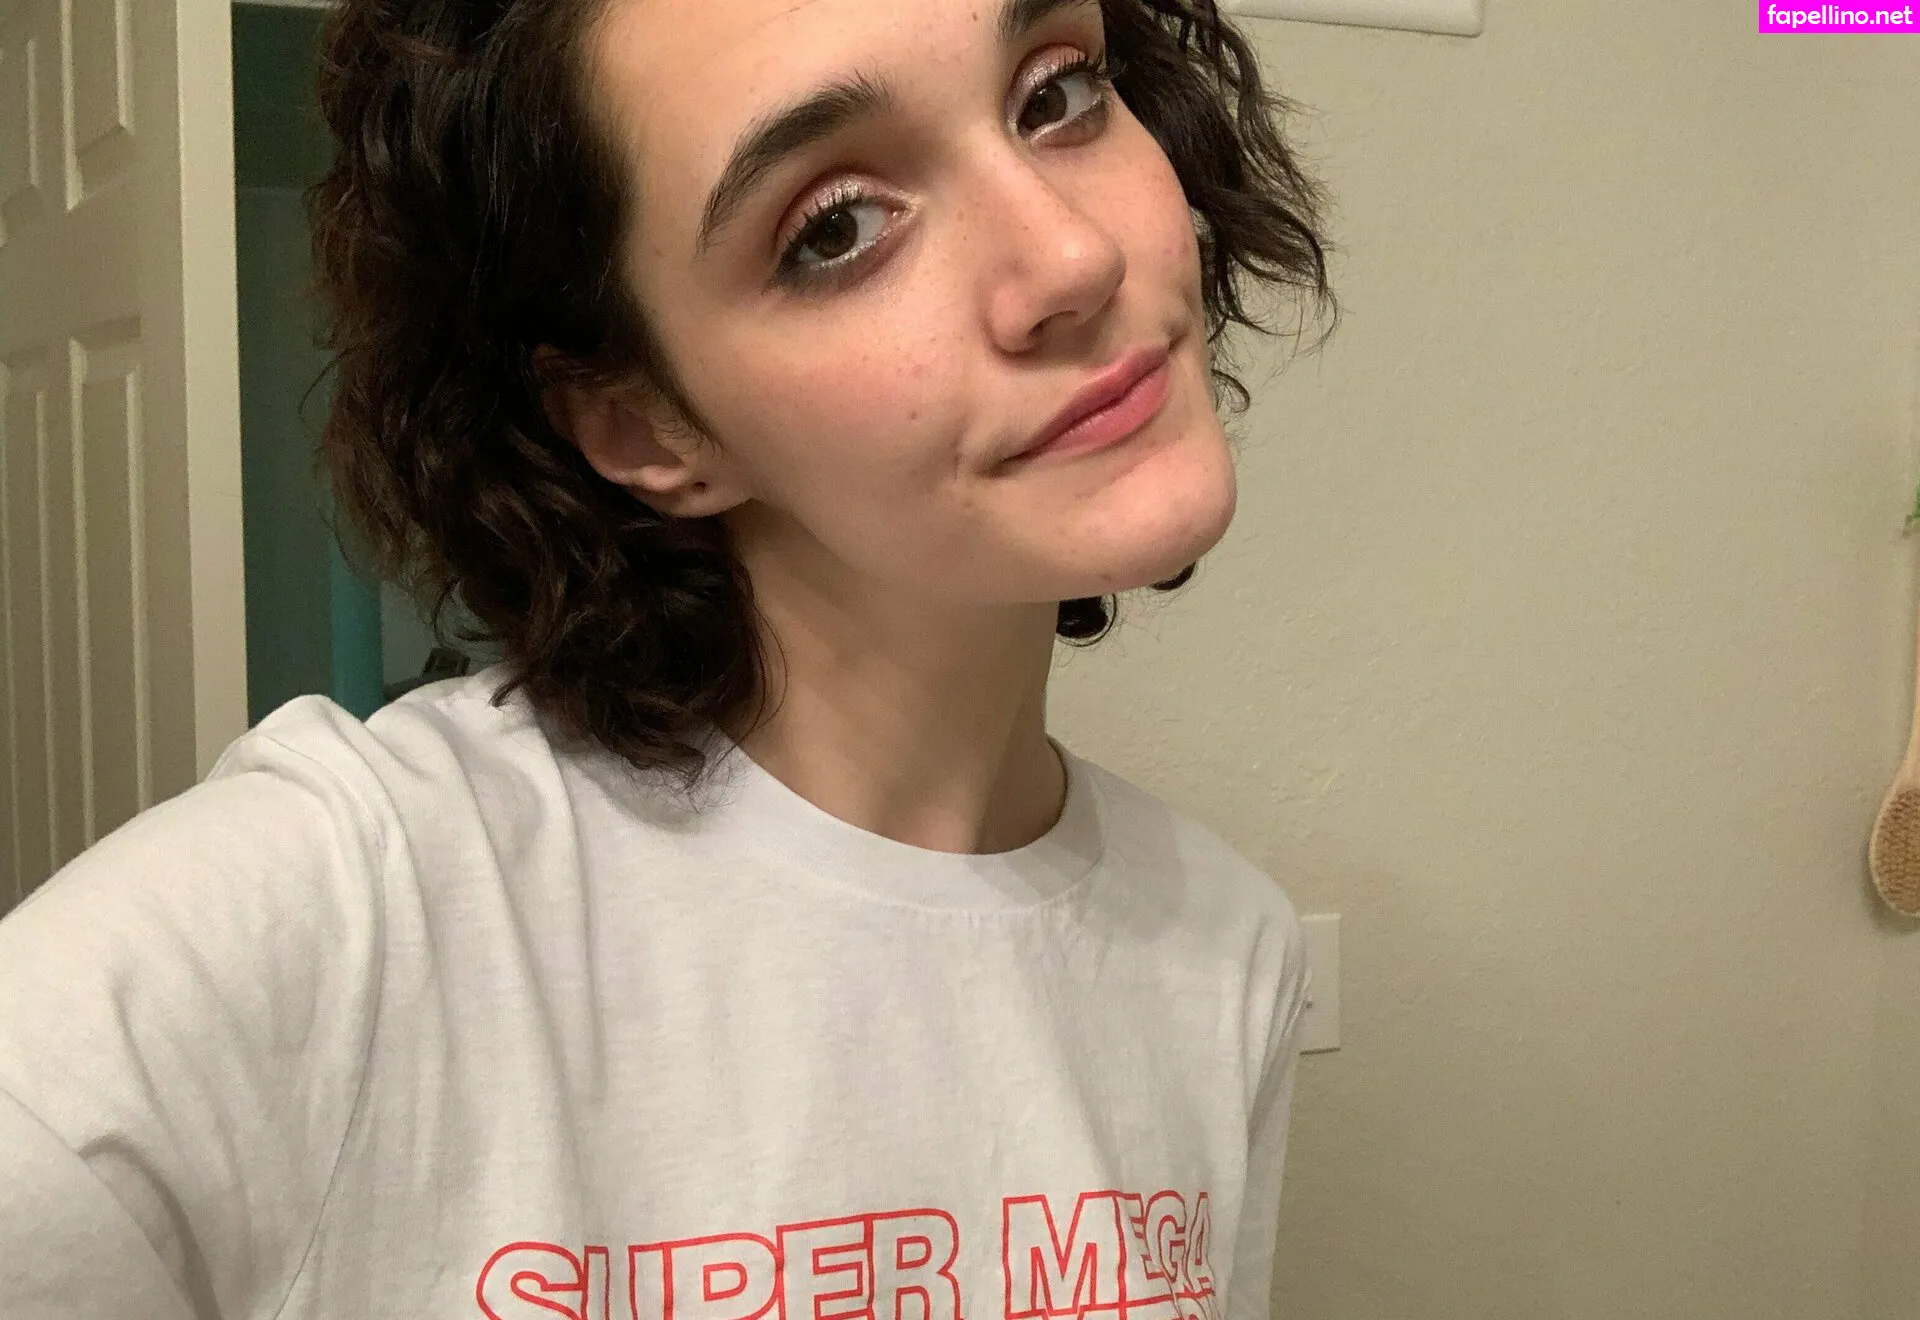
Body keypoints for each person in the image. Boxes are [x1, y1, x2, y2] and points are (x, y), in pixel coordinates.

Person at [0, 0, 1335, 1314]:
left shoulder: (1223, 950)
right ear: (645, 425)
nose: (1073, 256)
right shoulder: (352, 912)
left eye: (1055, 94)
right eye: (836, 228)